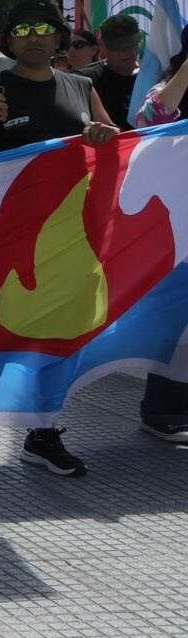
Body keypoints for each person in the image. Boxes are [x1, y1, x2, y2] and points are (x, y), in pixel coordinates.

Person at [0, 0, 119, 477]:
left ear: (58, 37)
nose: (33, 37)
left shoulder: (82, 87)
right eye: (22, 28)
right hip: (1, 234)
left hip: (68, 238)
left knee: (59, 335)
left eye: (44, 28)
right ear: (7, 40)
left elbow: (117, 141)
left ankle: (42, 433)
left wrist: (101, 134)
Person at [131, 44, 188, 443]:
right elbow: (148, 119)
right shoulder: (166, 93)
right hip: (178, 231)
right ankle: (162, 408)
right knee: (178, 324)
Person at [83, 13, 144, 129]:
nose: (124, 52)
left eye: (130, 45)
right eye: (117, 47)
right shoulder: (86, 81)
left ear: (140, 42)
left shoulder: (153, 77)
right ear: (102, 46)